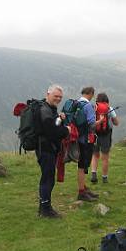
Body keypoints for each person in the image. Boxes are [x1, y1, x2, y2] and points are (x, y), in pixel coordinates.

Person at [36, 84, 70, 218]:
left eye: (60, 97)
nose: (58, 99)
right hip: (46, 149)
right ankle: (46, 210)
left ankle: (43, 207)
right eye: (56, 96)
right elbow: (51, 132)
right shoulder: (45, 110)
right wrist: (66, 130)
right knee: (48, 179)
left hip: (47, 148)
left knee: (48, 177)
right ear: (48, 94)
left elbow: (51, 126)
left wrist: (59, 119)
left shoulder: (48, 108)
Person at [76, 87, 102, 201]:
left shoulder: (76, 104)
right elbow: (92, 125)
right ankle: (81, 192)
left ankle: (84, 188)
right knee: (82, 165)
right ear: (91, 94)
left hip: (77, 138)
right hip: (86, 139)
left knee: (82, 164)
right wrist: (100, 120)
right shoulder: (88, 106)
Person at [90, 93, 119, 184]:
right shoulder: (109, 109)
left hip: (94, 134)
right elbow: (116, 123)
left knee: (95, 155)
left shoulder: (93, 108)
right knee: (105, 157)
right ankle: (104, 177)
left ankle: (93, 173)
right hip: (106, 135)